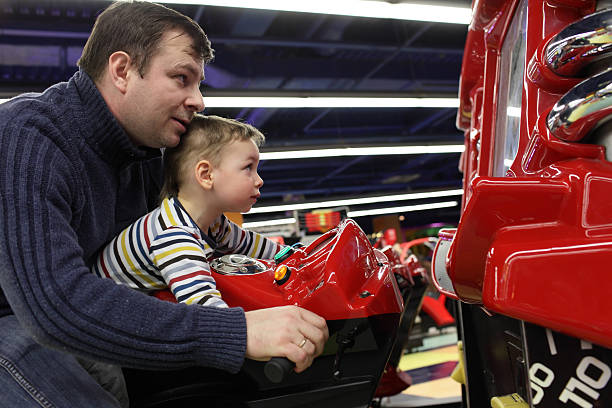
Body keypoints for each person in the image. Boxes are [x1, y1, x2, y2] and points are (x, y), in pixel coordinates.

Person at [0, 1, 328, 407]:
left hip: (69, 324)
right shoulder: (28, 136)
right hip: (16, 319)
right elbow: (53, 304)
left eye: (199, 84)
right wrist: (237, 332)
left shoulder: (147, 158)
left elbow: (214, 242)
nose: (199, 101)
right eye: (181, 78)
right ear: (121, 71)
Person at [92, 114, 282, 308]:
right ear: (206, 175)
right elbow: (207, 310)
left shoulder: (214, 223)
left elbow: (254, 245)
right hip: (102, 315)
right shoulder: (174, 234)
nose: (259, 180)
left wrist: (297, 256)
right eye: (248, 167)